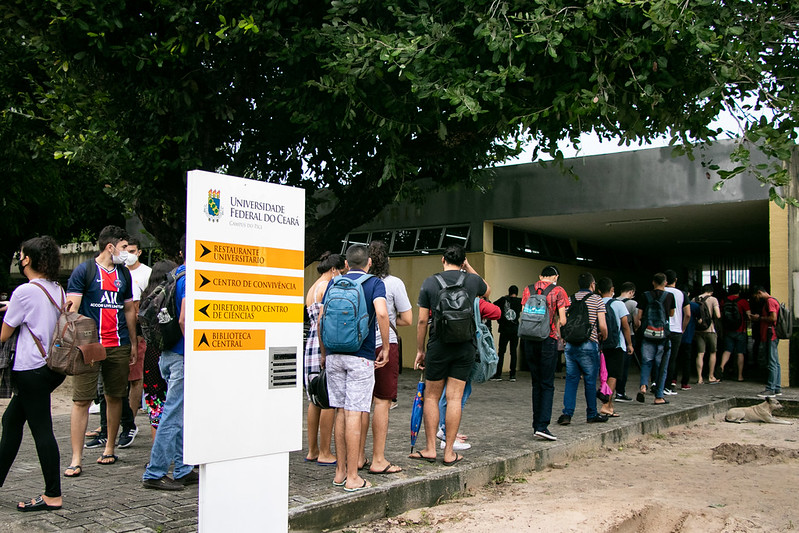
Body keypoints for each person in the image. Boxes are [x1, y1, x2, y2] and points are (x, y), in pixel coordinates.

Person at [0, 236, 67, 511]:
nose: (19, 257)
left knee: (42, 430)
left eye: (21, 254)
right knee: (12, 420)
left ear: (28, 260)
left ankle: (53, 494)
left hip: (31, 369)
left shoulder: (24, 291)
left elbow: (5, 333)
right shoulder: (57, 289)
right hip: (52, 368)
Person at [65, 225, 138, 474]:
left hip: (118, 343)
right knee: (81, 399)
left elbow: (129, 310)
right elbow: (71, 309)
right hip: (89, 346)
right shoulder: (84, 271)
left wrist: (134, 343)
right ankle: (76, 458)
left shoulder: (124, 275)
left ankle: (109, 448)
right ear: (111, 247)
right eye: (124, 248)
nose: (127, 253)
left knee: (114, 395)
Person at [411, 245, 489, 466]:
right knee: (455, 398)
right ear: (463, 261)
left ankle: (430, 449)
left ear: (442, 259)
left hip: (438, 345)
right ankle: (449, 453)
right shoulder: (472, 281)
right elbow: (488, 290)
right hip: (465, 346)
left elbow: (422, 321)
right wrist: (468, 267)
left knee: (432, 397)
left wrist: (420, 350)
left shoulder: (430, 282)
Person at [320, 244, 389, 492]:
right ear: (369, 263)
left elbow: (322, 318)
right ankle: (352, 477)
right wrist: (387, 348)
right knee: (354, 413)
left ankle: (339, 473)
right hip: (361, 355)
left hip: (335, 354)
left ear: (347, 264)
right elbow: (381, 313)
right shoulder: (374, 283)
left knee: (339, 410)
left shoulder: (333, 283)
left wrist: (324, 352)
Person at [142, 236, 197, 490]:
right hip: (182, 356)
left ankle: (184, 468)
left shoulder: (175, 275)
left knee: (178, 413)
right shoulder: (192, 279)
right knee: (173, 415)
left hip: (167, 354)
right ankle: (155, 472)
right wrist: (194, 351)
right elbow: (185, 319)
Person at [364, 240, 412, 474]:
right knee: (382, 402)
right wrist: (390, 324)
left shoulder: (358, 282)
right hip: (385, 345)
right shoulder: (394, 284)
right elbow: (408, 318)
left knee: (360, 403)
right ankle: (378, 459)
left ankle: (356, 458)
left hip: (359, 346)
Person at [436, 296, 501, 450]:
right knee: (460, 393)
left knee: (446, 391)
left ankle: (445, 429)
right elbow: (496, 312)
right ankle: (447, 435)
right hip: (465, 350)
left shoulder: (442, 295)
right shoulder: (473, 299)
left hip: (443, 347)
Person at [304, 252, 344, 465]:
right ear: (334, 270)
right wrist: (324, 352)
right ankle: (326, 452)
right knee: (328, 399)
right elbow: (322, 322)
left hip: (309, 342)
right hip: (321, 344)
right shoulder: (327, 286)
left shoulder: (312, 288)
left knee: (314, 398)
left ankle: (313, 450)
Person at [522, 265, 569, 440]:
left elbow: (524, 314)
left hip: (529, 339)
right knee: (547, 383)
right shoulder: (558, 291)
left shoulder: (529, 289)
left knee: (536, 383)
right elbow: (563, 320)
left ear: (541, 276)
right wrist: (555, 323)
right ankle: (543, 426)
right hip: (547, 340)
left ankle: (536, 425)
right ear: (555, 276)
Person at [557, 272, 607, 425]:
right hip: (589, 343)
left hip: (571, 345)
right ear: (592, 285)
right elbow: (603, 326)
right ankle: (591, 414)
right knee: (590, 381)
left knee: (571, 380)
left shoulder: (570, 299)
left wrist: (564, 338)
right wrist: (603, 336)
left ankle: (567, 414)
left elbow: (561, 322)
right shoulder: (597, 300)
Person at [140, 260, 178, 437]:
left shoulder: (146, 298)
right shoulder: (172, 296)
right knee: (176, 404)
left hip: (151, 355)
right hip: (172, 352)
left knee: (156, 406)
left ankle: (156, 452)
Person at [636, 273, 675, 404]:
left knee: (646, 362)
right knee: (661, 366)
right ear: (665, 283)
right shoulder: (669, 296)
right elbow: (671, 314)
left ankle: (643, 386)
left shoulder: (645, 295)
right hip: (663, 335)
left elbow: (639, 317)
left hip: (648, 334)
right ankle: (659, 396)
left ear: (653, 282)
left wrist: (639, 329)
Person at [597, 277, 633, 417]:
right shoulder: (618, 304)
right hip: (616, 344)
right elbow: (625, 326)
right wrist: (629, 344)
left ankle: (610, 405)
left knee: (604, 374)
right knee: (613, 375)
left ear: (599, 290)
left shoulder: (596, 303)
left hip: (600, 344)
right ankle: (606, 405)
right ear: (612, 289)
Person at [750, 286, 782, 398]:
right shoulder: (774, 300)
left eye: (756, 296)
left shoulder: (769, 301)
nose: (757, 299)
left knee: (771, 361)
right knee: (776, 362)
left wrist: (760, 318)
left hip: (770, 333)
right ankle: (777, 387)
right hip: (773, 334)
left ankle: (771, 388)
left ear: (759, 292)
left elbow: (773, 318)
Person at [718, 283, 750, 382]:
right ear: (739, 291)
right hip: (741, 330)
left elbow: (721, 315)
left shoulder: (724, 301)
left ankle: (721, 370)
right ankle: (740, 376)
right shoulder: (743, 301)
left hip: (728, 330)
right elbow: (749, 316)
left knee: (727, 351)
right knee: (740, 353)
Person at [614, 282, 639, 402]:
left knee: (614, 364)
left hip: (614, 336)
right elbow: (636, 322)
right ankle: (620, 391)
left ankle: (610, 390)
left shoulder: (612, 301)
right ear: (631, 292)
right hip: (628, 335)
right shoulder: (633, 304)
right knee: (624, 366)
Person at [491, 286, 522, 382]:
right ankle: (512, 375)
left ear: (508, 292)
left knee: (501, 352)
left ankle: (498, 374)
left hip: (504, 329)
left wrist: (500, 319)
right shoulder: (519, 301)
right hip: (515, 329)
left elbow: (493, 306)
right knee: (513, 352)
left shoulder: (503, 299)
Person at [694, 284, 721, 384]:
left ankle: (699, 378)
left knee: (700, 353)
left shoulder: (694, 299)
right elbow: (718, 315)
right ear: (711, 291)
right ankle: (711, 376)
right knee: (712, 352)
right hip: (710, 329)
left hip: (698, 330)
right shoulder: (713, 299)